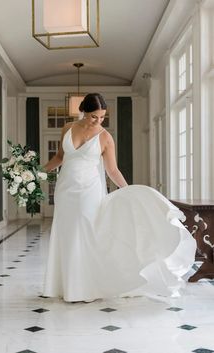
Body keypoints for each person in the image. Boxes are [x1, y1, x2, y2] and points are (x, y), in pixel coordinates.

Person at [43, 93, 196, 302]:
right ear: (84, 112)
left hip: (89, 192)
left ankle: (85, 287)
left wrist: (127, 190)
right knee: (66, 234)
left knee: (86, 233)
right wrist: (39, 172)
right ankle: (65, 285)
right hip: (65, 190)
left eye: (102, 117)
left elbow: (112, 170)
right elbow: (60, 157)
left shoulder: (105, 137)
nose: (98, 121)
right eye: (93, 117)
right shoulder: (67, 129)